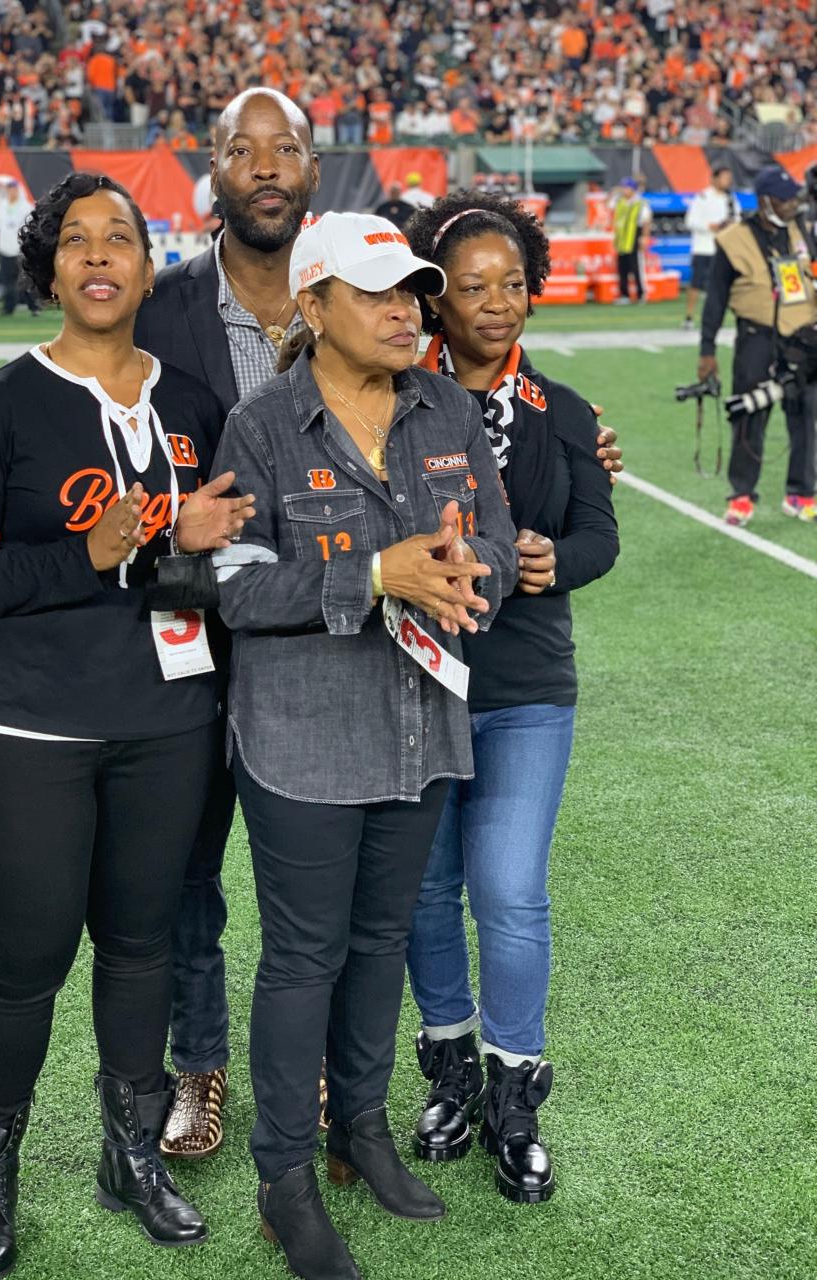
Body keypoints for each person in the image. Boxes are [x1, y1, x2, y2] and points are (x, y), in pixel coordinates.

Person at [0, 171, 255, 1278]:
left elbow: (219, 556)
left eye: (122, 237)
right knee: (24, 964)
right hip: (29, 730)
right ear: (50, 266)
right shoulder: (0, 405)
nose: (102, 254)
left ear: (149, 265)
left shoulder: (193, 407)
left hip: (167, 719)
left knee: (141, 946)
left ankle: (130, 1152)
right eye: (79, 241)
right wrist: (92, 553)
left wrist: (184, 547)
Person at [209, 211, 519, 1279]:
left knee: (381, 941)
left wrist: (463, 560)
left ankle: (363, 1134)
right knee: (305, 956)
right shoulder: (259, 424)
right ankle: (284, 1177)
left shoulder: (446, 405)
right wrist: (376, 574)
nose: (406, 308)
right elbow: (237, 586)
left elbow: (500, 544)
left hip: (419, 724)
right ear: (313, 306)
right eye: (380, 291)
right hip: (301, 734)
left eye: (412, 290)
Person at [402, 193, 619, 1203]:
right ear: (435, 300)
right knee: (423, 893)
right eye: (474, 287)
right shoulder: (394, 399)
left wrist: (551, 559)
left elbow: (598, 535)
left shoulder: (566, 411)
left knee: (509, 889)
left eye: (515, 284)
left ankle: (515, 1092)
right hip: (415, 679)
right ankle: (448, 1073)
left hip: (528, 685)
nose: (498, 304)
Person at [133, 86, 321, 1158]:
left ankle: (323, 1067)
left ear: (312, 169)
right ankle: (198, 1063)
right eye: (242, 150)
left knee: (312, 875)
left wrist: (570, 449)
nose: (263, 167)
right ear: (211, 168)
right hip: (194, 636)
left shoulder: (348, 289)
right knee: (189, 874)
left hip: (323, 636)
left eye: (283, 149)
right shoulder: (161, 305)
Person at [698, 165, 817, 525]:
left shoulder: (801, 230)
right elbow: (715, 300)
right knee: (750, 417)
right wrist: (707, 350)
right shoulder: (734, 239)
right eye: (784, 200)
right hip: (757, 339)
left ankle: (801, 492)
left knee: (807, 416)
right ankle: (742, 496)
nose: (792, 205)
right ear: (765, 201)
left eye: (794, 198)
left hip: (803, 339)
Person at [683, 165, 737, 330]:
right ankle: (689, 316)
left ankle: (723, 317)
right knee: (696, 284)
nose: (727, 181)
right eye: (724, 177)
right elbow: (690, 221)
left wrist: (729, 226)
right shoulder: (702, 197)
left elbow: (738, 219)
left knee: (726, 285)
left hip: (723, 248)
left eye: (729, 178)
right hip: (703, 247)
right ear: (714, 179)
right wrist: (710, 226)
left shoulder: (730, 199)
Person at [0, 178, 39, 316]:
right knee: (7, 280)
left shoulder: (26, 207)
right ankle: (8, 307)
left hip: (20, 249)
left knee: (25, 280)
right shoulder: (1, 206)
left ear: (18, 190)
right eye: (9, 189)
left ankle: (33, 307)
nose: (11, 192)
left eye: (13, 189)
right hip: (4, 247)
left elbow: (31, 227)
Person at [611, 177, 652, 304]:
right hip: (622, 240)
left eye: (626, 188)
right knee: (622, 268)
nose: (624, 190)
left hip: (634, 238)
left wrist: (645, 237)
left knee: (636, 268)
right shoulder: (619, 201)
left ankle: (641, 294)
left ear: (633, 189)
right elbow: (607, 203)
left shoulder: (640, 203)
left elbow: (646, 221)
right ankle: (624, 295)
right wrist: (614, 191)